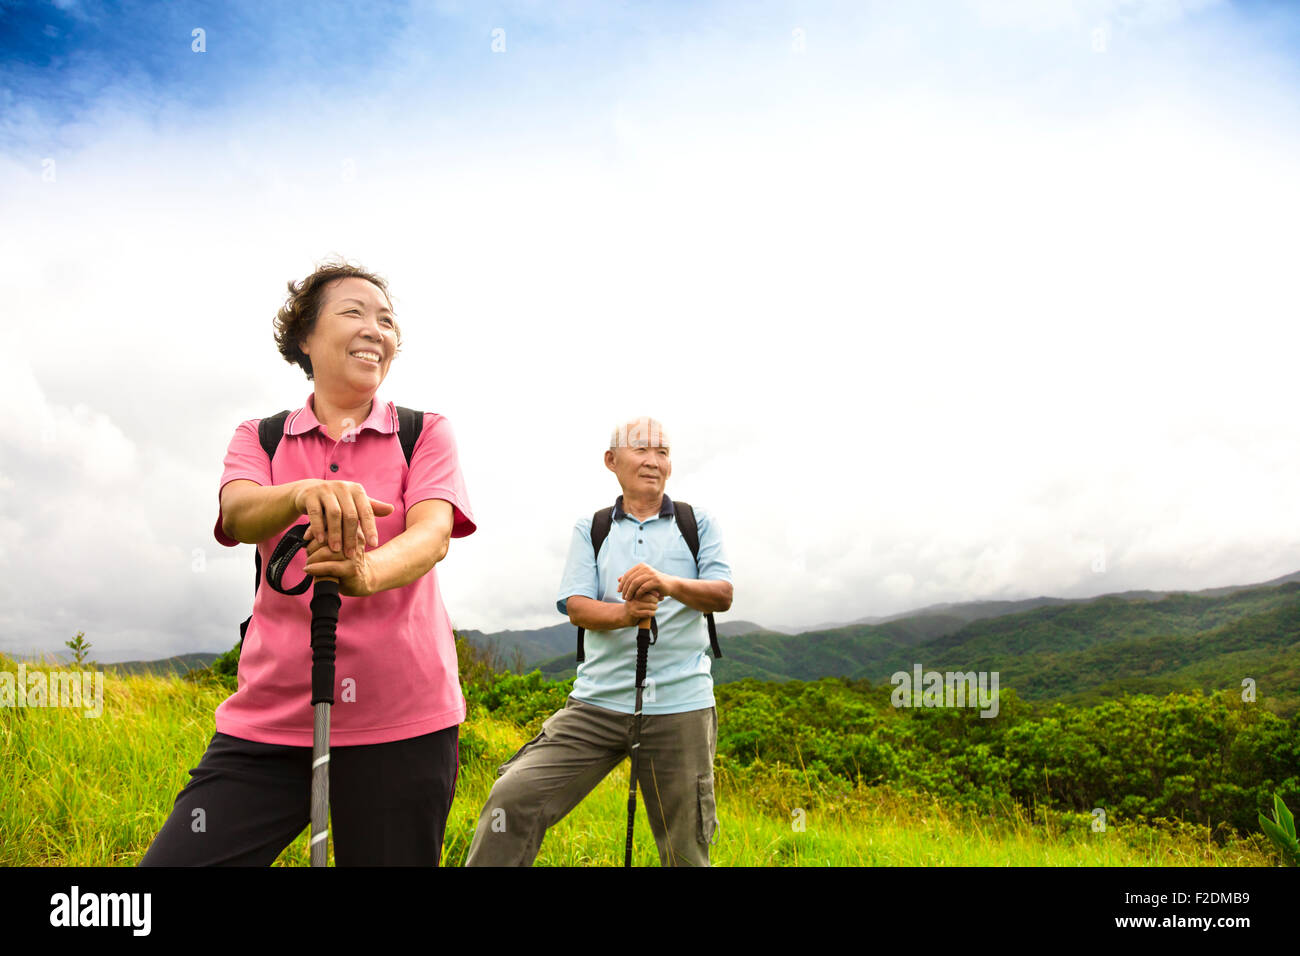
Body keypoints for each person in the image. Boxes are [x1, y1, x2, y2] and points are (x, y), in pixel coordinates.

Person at [140, 260, 475, 866]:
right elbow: (238, 514)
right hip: (272, 720)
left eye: (387, 320)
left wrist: (367, 572)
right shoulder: (261, 437)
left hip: (403, 723)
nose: (376, 329)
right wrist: (300, 493)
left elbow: (433, 533)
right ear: (305, 338)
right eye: (354, 313)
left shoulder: (424, 432)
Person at [465, 416, 732, 867]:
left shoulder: (697, 522)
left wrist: (665, 583)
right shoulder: (593, 528)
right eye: (641, 449)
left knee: (685, 850)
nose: (653, 460)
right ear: (612, 461)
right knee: (513, 799)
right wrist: (627, 614)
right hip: (596, 704)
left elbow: (722, 594)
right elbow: (575, 604)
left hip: (680, 706)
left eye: (663, 452)